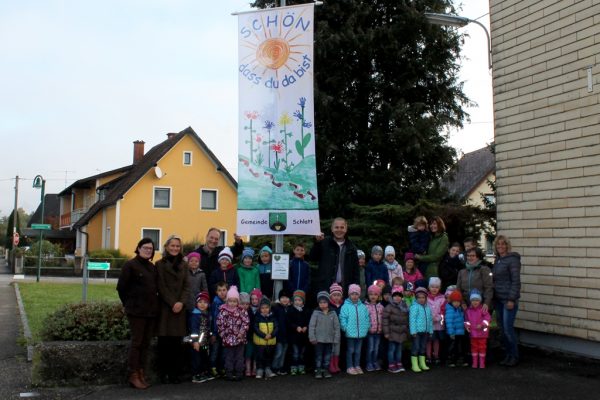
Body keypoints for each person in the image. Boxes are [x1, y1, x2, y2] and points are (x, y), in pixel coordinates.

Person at [116, 238, 158, 390]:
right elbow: (121, 287)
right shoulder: (130, 265)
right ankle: (133, 374)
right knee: (137, 343)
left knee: (146, 344)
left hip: (150, 312)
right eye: (145, 247)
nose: (148, 250)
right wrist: (128, 304)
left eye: (151, 248)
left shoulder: (152, 267)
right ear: (138, 248)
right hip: (136, 312)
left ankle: (141, 373)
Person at [155, 234, 191, 384]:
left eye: (177, 246)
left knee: (177, 344)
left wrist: (181, 302)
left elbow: (187, 286)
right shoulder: (159, 264)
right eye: (172, 246)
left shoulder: (184, 265)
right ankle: (163, 373)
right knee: (164, 343)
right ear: (166, 247)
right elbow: (161, 286)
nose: (175, 248)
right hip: (166, 308)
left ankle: (175, 374)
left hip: (179, 309)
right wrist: (173, 303)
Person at [492, 235, 521, 367]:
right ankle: (507, 355)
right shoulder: (497, 260)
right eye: (498, 244)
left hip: (508, 300)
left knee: (508, 329)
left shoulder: (513, 260)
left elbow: (516, 281)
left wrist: (511, 299)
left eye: (503, 244)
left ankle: (514, 355)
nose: (500, 246)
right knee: (503, 330)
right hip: (498, 299)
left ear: (507, 246)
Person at [310, 217, 360, 294]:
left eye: (342, 227)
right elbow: (313, 257)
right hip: (326, 287)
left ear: (346, 229)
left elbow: (356, 271)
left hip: (345, 289)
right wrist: (317, 243)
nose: (339, 230)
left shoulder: (351, 247)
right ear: (332, 229)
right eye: (336, 227)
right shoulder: (324, 243)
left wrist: (355, 288)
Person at [216, 285, 250, 381]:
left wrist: (241, 333)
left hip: (240, 339)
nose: (232, 303)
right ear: (227, 301)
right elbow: (219, 323)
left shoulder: (242, 311)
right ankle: (229, 373)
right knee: (228, 357)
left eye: (234, 301)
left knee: (239, 357)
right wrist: (224, 334)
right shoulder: (223, 311)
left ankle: (239, 372)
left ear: (237, 302)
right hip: (228, 339)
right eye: (230, 301)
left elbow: (246, 322)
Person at [339, 284, 370, 375]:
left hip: (361, 333)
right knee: (351, 350)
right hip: (350, 333)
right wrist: (345, 328)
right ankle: (350, 366)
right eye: (352, 294)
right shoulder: (345, 306)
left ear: (359, 295)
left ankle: (357, 365)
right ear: (349, 295)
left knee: (358, 351)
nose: (354, 296)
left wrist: (366, 327)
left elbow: (367, 318)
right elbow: (342, 318)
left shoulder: (363, 307)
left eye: (356, 294)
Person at [309, 291, 340, 379]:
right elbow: (311, 326)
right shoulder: (315, 313)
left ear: (328, 302)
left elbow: (337, 327)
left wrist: (336, 338)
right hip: (318, 340)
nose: (322, 304)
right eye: (320, 302)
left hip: (329, 339)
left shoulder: (333, 313)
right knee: (318, 356)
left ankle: (326, 369)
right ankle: (318, 370)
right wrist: (312, 337)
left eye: (324, 302)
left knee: (327, 356)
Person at [456, 247, 494, 311]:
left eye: (473, 256)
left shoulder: (484, 269)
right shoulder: (462, 272)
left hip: (480, 305)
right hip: (466, 306)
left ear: (478, 257)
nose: (470, 258)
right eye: (468, 256)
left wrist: (486, 303)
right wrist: (462, 302)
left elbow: (489, 287)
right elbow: (458, 289)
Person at [382, 285, 409, 373]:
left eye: (399, 296)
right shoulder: (389, 307)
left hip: (401, 332)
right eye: (395, 295)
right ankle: (391, 364)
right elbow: (385, 320)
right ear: (392, 296)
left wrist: (406, 330)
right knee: (392, 349)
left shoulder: (404, 306)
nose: (397, 298)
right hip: (392, 332)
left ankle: (398, 363)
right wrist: (386, 332)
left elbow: (407, 320)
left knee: (399, 349)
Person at [188, 291, 213, 383]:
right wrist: (195, 341)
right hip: (197, 342)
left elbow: (207, 328)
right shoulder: (195, 315)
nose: (202, 304)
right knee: (196, 359)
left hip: (204, 342)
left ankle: (202, 373)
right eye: (200, 302)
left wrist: (210, 336)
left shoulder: (207, 315)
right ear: (196, 303)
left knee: (204, 358)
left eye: (205, 302)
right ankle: (195, 375)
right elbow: (194, 330)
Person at [464, 289, 491, 369]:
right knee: (474, 348)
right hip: (473, 334)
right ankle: (475, 363)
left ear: (480, 301)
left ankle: (482, 363)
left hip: (482, 334)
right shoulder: (468, 311)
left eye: (477, 300)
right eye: (473, 300)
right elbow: (466, 320)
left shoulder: (483, 309)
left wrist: (483, 324)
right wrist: (467, 326)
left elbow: (488, 318)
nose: (475, 302)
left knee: (482, 348)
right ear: (470, 301)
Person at [409, 287, 433, 373]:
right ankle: (414, 365)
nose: (421, 299)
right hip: (417, 332)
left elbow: (430, 320)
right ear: (416, 298)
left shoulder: (427, 308)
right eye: (419, 297)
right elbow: (412, 320)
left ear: (426, 298)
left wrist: (430, 331)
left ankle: (422, 363)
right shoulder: (414, 307)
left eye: (423, 297)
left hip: (425, 331)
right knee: (416, 347)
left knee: (423, 347)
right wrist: (413, 331)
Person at [253, 296, 278, 379]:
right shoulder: (257, 317)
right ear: (259, 308)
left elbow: (276, 327)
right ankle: (259, 370)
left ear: (269, 308)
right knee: (260, 356)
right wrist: (264, 335)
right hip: (260, 342)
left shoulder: (273, 317)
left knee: (269, 355)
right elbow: (255, 328)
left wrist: (271, 335)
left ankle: (268, 369)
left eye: (267, 307)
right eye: (262, 308)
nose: (265, 310)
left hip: (270, 341)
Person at [288, 290, 311, 375]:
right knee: (295, 353)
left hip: (303, 337)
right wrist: (295, 327)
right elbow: (289, 322)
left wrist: (306, 326)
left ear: (303, 301)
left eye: (299, 300)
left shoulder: (306, 310)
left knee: (302, 353)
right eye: (296, 300)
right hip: (294, 337)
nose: (297, 302)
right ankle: (293, 367)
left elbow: (309, 321)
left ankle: (301, 366)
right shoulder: (291, 310)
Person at [209, 281, 228, 378]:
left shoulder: (228, 302)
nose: (222, 292)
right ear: (216, 292)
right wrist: (213, 333)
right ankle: (213, 368)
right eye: (219, 290)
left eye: (224, 290)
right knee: (215, 351)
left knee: (224, 352)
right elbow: (214, 318)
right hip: (217, 332)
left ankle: (222, 368)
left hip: (225, 333)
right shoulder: (216, 302)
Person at [271, 289, 292, 375]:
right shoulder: (276, 308)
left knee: (283, 353)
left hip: (287, 335)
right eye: (282, 297)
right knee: (278, 353)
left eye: (286, 297)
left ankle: (280, 367)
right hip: (279, 335)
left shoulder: (290, 308)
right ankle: (274, 367)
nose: (284, 299)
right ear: (279, 299)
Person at [426, 277, 446, 366]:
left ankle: (436, 356)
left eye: (436, 287)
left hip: (438, 324)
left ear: (440, 288)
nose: (434, 289)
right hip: (428, 324)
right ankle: (428, 356)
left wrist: (438, 318)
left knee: (436, 340)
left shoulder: (442, 298)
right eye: (432, 287)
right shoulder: (426, 297)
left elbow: (443, 310)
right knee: (429, 340)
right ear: (429, 287)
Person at [445, 290, 468, 367]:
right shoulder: (449, 310)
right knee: (453, 347)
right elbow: (449, 322)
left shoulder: (460, 309)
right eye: (455, 302)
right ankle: (451, 361)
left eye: (458, 302)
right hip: (453, 332)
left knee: (461, 347)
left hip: (461, 331)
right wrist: (451, 332)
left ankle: (460, 360)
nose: (456, 303)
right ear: (451, 301)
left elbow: (463, 319)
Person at [364, 283, 384, 372]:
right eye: (371, 294)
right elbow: (364, 319)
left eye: (375, 294)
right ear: (368, 295)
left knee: (376, 349)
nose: (373, 296)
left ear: (379, 296)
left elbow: (383, 318)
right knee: (370, 348)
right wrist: (367, 328)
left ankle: (374, 361)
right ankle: (369, 362)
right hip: (370, 332)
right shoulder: (365, 306)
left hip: (378, 331)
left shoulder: (381, 306)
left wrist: (382, 328)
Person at [328, 282, 344, 374]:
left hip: (340, 331)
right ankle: (331, 364)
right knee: (331, 348)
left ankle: (336, 364)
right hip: (331, 331)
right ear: (331, 296)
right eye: (334, 295)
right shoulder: (329, 306)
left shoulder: (343, 306)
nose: (337, 297)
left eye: (338, 295)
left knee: (337, 349)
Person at [185, 252, 208, 316]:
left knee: (195, 319)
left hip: (198, 301)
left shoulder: (202, 274)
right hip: (186, 301)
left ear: (199, 263)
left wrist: (205, 300)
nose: (194, 263)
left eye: (196, 261)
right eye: (191, 261)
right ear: (188, 262)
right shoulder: (185, 273)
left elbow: (205, 288)